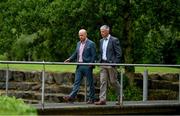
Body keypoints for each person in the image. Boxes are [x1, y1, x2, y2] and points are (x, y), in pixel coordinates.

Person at [63, 29, 96, 104]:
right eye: (79, 35)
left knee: (90, 83)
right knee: (76, 82)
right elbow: (75, 53)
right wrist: (69, 59)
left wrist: (91, 64)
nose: (80, 37)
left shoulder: (91, 44)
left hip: (87, 66)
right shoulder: (78, 43)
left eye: (82, 35)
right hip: (79, 66)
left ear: (85, 35)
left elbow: (94, 55)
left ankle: (92, 99)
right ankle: (71, 97)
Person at [94, 25, 122, 105]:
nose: (101, 33)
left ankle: (121, 96)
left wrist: (115, 63)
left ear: (107, 31)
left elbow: (119, 53)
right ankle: (102, 100)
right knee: (103, 81)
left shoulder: (114, 40)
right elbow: (101, 52)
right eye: (101, 31)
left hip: (111, 64)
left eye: (103, 31)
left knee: (113, 82)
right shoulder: (101, 41)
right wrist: (99, 61)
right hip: (103, 64)